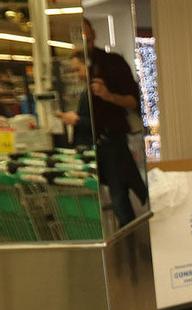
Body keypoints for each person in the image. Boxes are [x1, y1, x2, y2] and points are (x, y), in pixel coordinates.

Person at [82, 18, 148, 227]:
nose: (86, 42)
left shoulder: (112, 63)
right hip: (84, 142)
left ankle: (130, 238)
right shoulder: (72, 64)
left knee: (119, 194)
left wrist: (108, 95)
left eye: (88, 37)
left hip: (112, 141)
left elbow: (132, 100)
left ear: (93, 35)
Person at [58, 51, 93, 147]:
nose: (76, 75)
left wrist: (77, 120)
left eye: (78, 70)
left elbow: (102, 124)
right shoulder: (87, 89)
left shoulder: (98, 91)